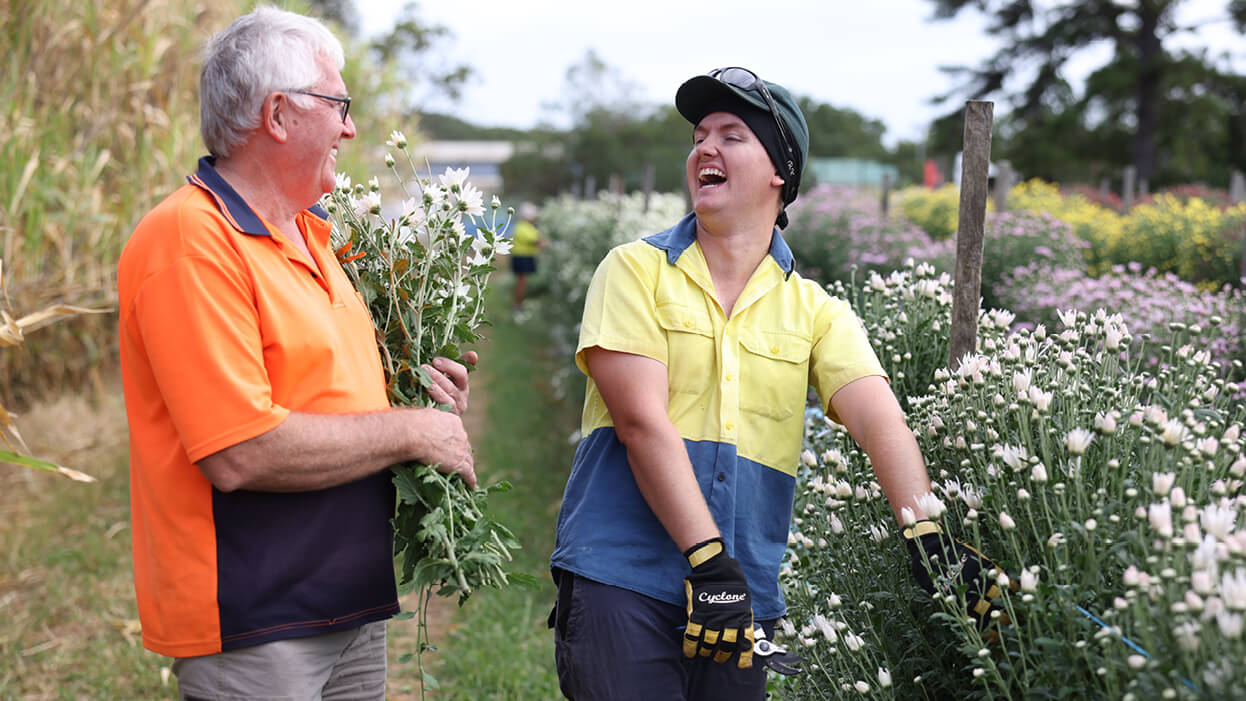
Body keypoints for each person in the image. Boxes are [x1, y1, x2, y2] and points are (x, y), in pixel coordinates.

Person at [548, 67, 1009, 700]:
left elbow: (880, 422)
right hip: (623, 577)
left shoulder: (816, 311)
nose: (705, 147)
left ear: (778, 173)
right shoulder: (635, 270)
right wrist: (707, 560)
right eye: (700, 135)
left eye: (732, 135)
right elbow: (639, 422)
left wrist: (926, 538)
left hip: (742, 600)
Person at [117, 7, 477, 699]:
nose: (349, 127)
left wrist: (419, 397)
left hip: (348, 602)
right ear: (278, 115)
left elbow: (328, 395)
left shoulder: (315, 237)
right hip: (256, 617)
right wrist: (413, 431)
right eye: (338, 104)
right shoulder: (192, 241)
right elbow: (239, 449)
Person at [510, 201, 545, 310]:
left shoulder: (523, 226)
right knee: (522, 282)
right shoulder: (523, 227)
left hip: (523, 256)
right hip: (522, 257)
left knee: (522, 281)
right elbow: (535, 241)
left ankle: (519, 304)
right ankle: (518, 305)